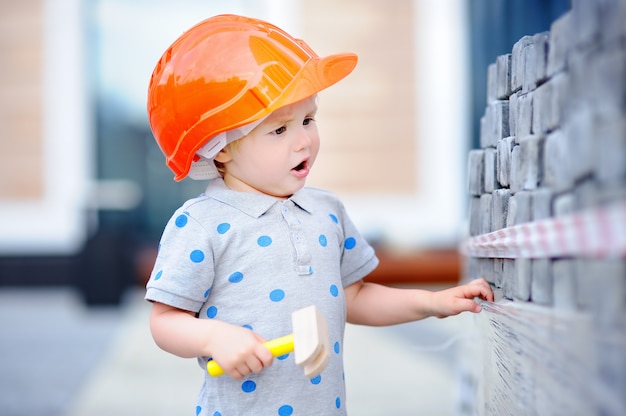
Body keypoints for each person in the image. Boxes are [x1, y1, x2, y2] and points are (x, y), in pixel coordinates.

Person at [145, 14, 493, 416]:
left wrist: (432, 303)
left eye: (308, 120)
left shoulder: (326, 211)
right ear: (220, 148)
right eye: (279, 130)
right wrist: (212, 338)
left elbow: (355, 298)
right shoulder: (200, 224)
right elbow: (165, 321)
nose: (304, 141)